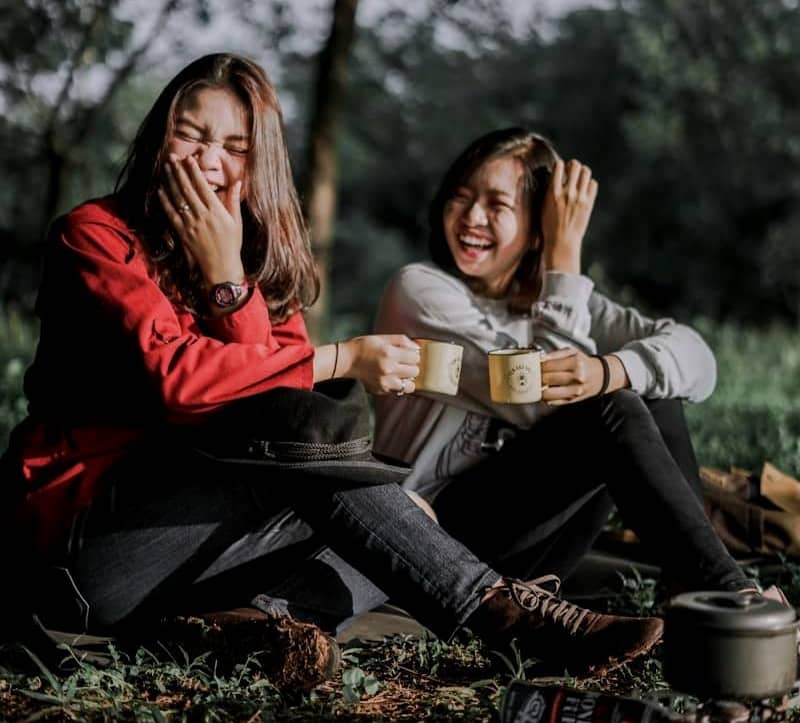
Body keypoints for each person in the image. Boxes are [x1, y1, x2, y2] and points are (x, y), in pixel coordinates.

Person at [0, 58, 663, 690]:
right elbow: (182, 382)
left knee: (408, 512)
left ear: (259, 165)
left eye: (233, 146)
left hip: (189, 563)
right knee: (344, 472)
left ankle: (249, 626)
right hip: (89, 548)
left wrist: (229, 274)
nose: (207, 160)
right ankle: (507, 614)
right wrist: (341, 357)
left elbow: (283, 407)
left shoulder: (255, 261)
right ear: (157, 137)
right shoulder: (96, 236)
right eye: (191, 134)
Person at [373, 126, 760, 602]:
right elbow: (537, 398)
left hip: (534, 549)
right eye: (461, 197)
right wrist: (565, 254)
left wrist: (609, 369)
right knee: (608, 408)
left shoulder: (570, 302)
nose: (472, 217)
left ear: (538, 226)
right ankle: (728, 595)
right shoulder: (420, 291)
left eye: (497, 205)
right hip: (430, 536)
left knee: (646, 388)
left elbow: (699, 361)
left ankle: (696, 587)